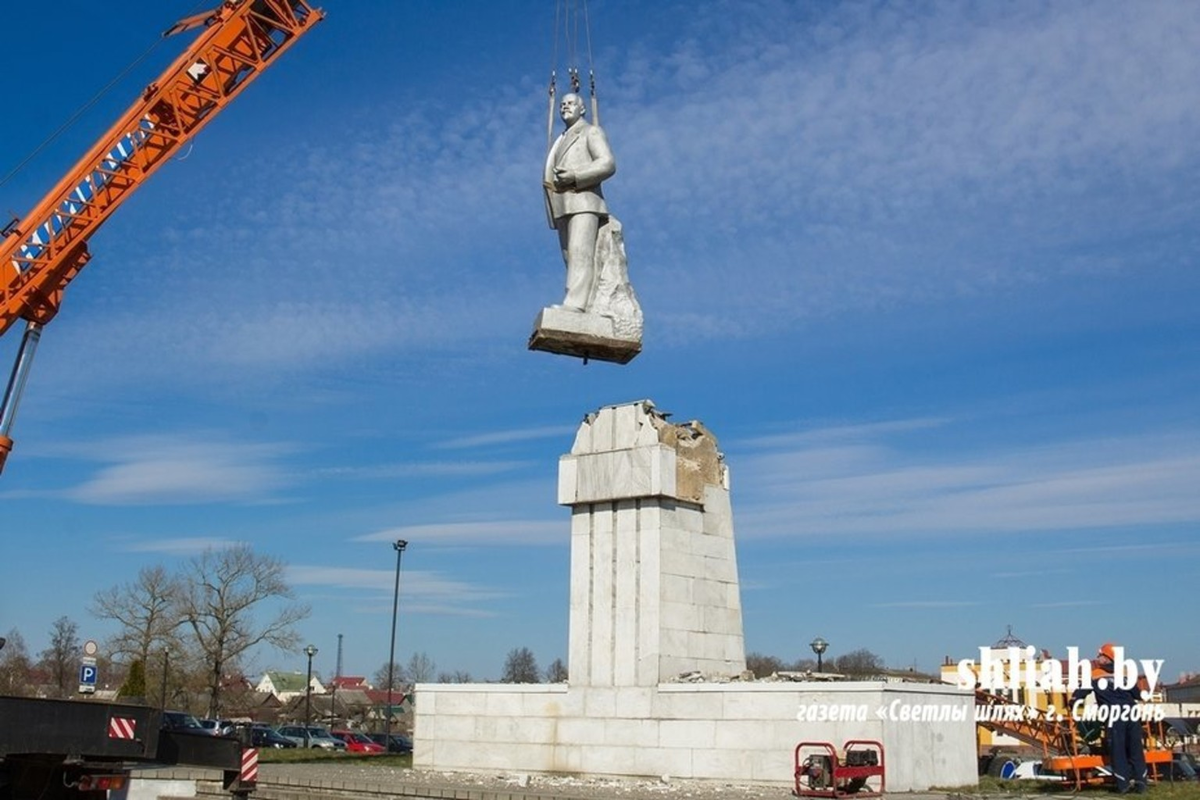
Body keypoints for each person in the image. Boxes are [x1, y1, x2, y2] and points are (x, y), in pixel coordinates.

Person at [543, 92, 616, 311]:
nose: (565, 107)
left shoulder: (591, 132)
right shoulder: (561, 138)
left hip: (585, 201)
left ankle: (575, 306)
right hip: (563, 203)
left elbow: (608, 163)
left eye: (571, 104)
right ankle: (587, 301)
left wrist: (575, 175)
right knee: (570, 256)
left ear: (582, 109)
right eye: (562, 104)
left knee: (580, 252)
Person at [1073, 643, 1148, 794]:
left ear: (1107, 658)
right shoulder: (1124, 674)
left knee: (1118, 750)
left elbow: (1080, 693)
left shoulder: (1095, 674)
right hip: (1132, 713)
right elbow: (1137, 695)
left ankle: (1123, 785)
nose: (1097, 658)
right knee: (1135, 749)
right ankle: (1141, 784)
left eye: (1100, 655)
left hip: (1115, 715)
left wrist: (1073, 701)